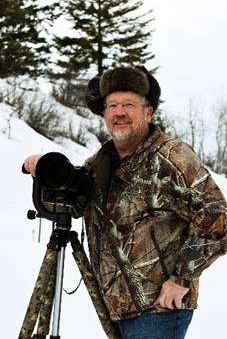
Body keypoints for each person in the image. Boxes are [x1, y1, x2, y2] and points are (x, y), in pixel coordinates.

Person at [24, 66, 227, 339]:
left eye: (129, 104)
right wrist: (45, 172)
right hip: (116, 309)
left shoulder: (172, 156)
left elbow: (218, 218)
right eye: (112, 105)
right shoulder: (101, 161)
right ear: (104, 114)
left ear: (148, 112)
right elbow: (73, 205)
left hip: (159, 310)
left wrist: (181, 280)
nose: (119, 112)